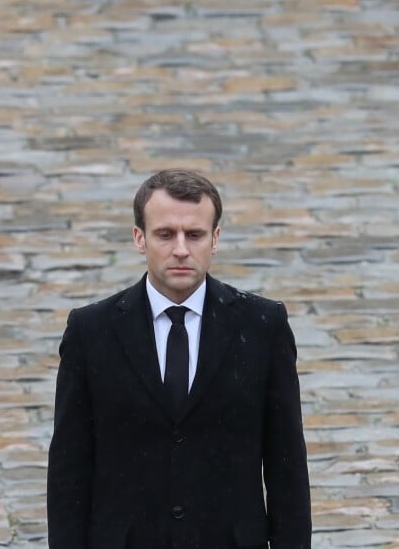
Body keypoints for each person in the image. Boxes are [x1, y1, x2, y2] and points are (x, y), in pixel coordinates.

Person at [47, 169, 312, 549]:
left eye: (195, 235)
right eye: (165, 234)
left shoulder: (262, 326)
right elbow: (69, 469)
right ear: (140, 238)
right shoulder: (91, 331)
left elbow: (287, 464)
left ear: (215, 239)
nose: (181, 249)